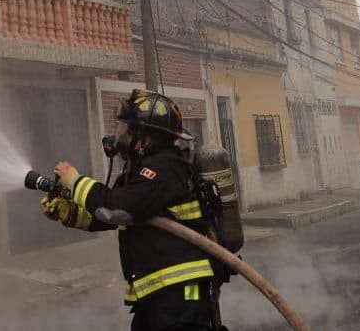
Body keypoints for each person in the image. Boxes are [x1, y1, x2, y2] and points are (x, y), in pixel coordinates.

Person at [38, 88, 222, 331]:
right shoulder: (141, 171)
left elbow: (117, 209)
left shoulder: (164, 169)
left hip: (180, 294)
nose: (118, 134)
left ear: (143, 136)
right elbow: (112, 216)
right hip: (159, 293)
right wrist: (70, 213)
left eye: (123, 127)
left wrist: (75, 181)